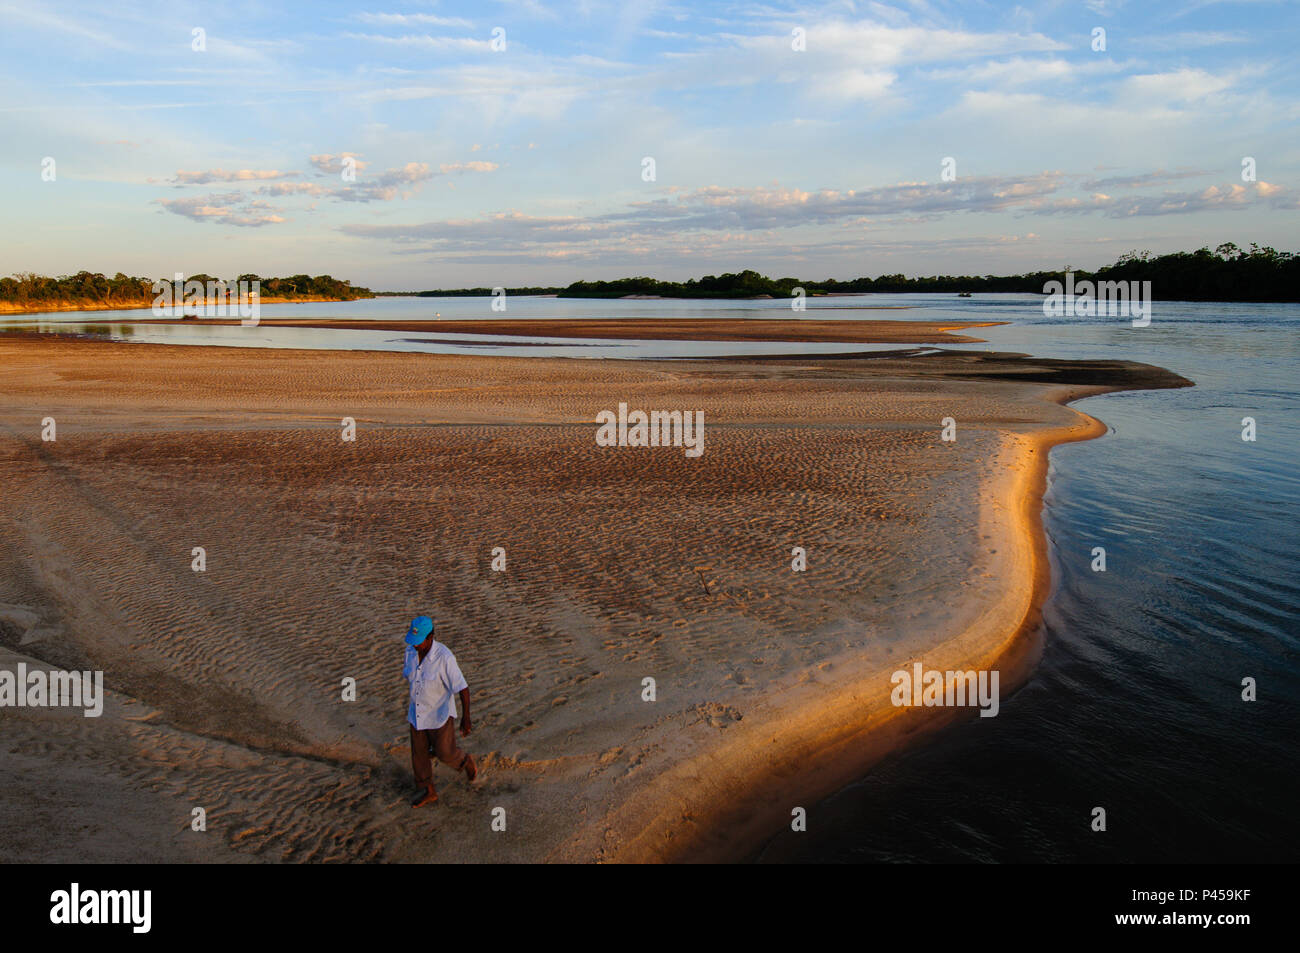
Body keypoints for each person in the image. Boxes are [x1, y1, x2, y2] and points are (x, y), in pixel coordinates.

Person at [402, 615, 477, 807]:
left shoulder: (445, 657)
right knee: (419, 755)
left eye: (419, 641)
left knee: (445, 753)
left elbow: (463, 688)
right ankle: (428, 790)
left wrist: (466, 718)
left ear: (430, 637)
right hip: (417, 713)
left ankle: (465, 761)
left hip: (439, 715)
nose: (415, 645)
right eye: (413, 641)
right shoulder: (410, 652)